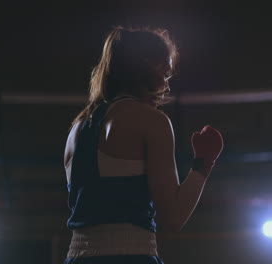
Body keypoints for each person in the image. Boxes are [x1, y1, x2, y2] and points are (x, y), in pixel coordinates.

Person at [62, 26, 224, 264]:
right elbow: (173, 218)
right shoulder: (151, 121)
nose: (167, 86)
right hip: (132, 256)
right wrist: (203, 164)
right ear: (146, 65)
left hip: (76, 257)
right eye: (165, 74)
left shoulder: (76, 128)